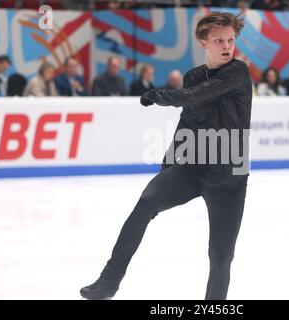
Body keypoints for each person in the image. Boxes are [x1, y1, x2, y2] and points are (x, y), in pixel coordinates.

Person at [80, 11, 252, 300]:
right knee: (146, 202)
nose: (227, 46)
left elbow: (195, 97)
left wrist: (157, 96)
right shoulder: (193, 75)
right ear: (203, 42)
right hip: (192, 167)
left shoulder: (238, 72)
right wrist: (168, 167)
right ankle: (109, 282)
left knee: (220, 256)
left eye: (231, 40)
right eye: (219, 40)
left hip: (228, 177)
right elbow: (188, 121)